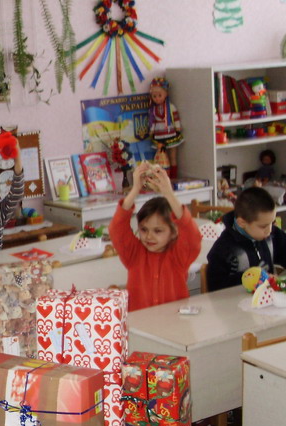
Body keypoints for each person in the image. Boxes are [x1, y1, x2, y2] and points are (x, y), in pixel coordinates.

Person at [108, 162, 202, 311]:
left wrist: (169, 193)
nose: (149, 236)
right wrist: (135, 189)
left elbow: (192, 235)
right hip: (140, 322)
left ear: (173, 232)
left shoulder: (179, 256)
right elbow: (117, 228)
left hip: (174, 322)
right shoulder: (134, 254)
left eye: (158, 231)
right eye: (144, 229)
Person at [206, 186, 286, 291]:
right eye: (263, 226)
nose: (269, 230)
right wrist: (248, 279)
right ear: (242, 223)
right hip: (236, 299)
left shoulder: (272, 234)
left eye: (272, 222)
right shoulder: (223, 249)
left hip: (267, 298)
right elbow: (215, 287)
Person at [148, 77, 183, 179]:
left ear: (166, 94)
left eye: (160, 95)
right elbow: (152, 122)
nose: (157, 98)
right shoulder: (153, 110)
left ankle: (173, 176)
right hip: (159, 135)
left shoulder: (170, 107)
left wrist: (177, 127)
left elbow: (175, 118)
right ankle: (164, 177)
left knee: (173, 156)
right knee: (162, 157)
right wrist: (151, 131)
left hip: (170, 133)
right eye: (154, 96)